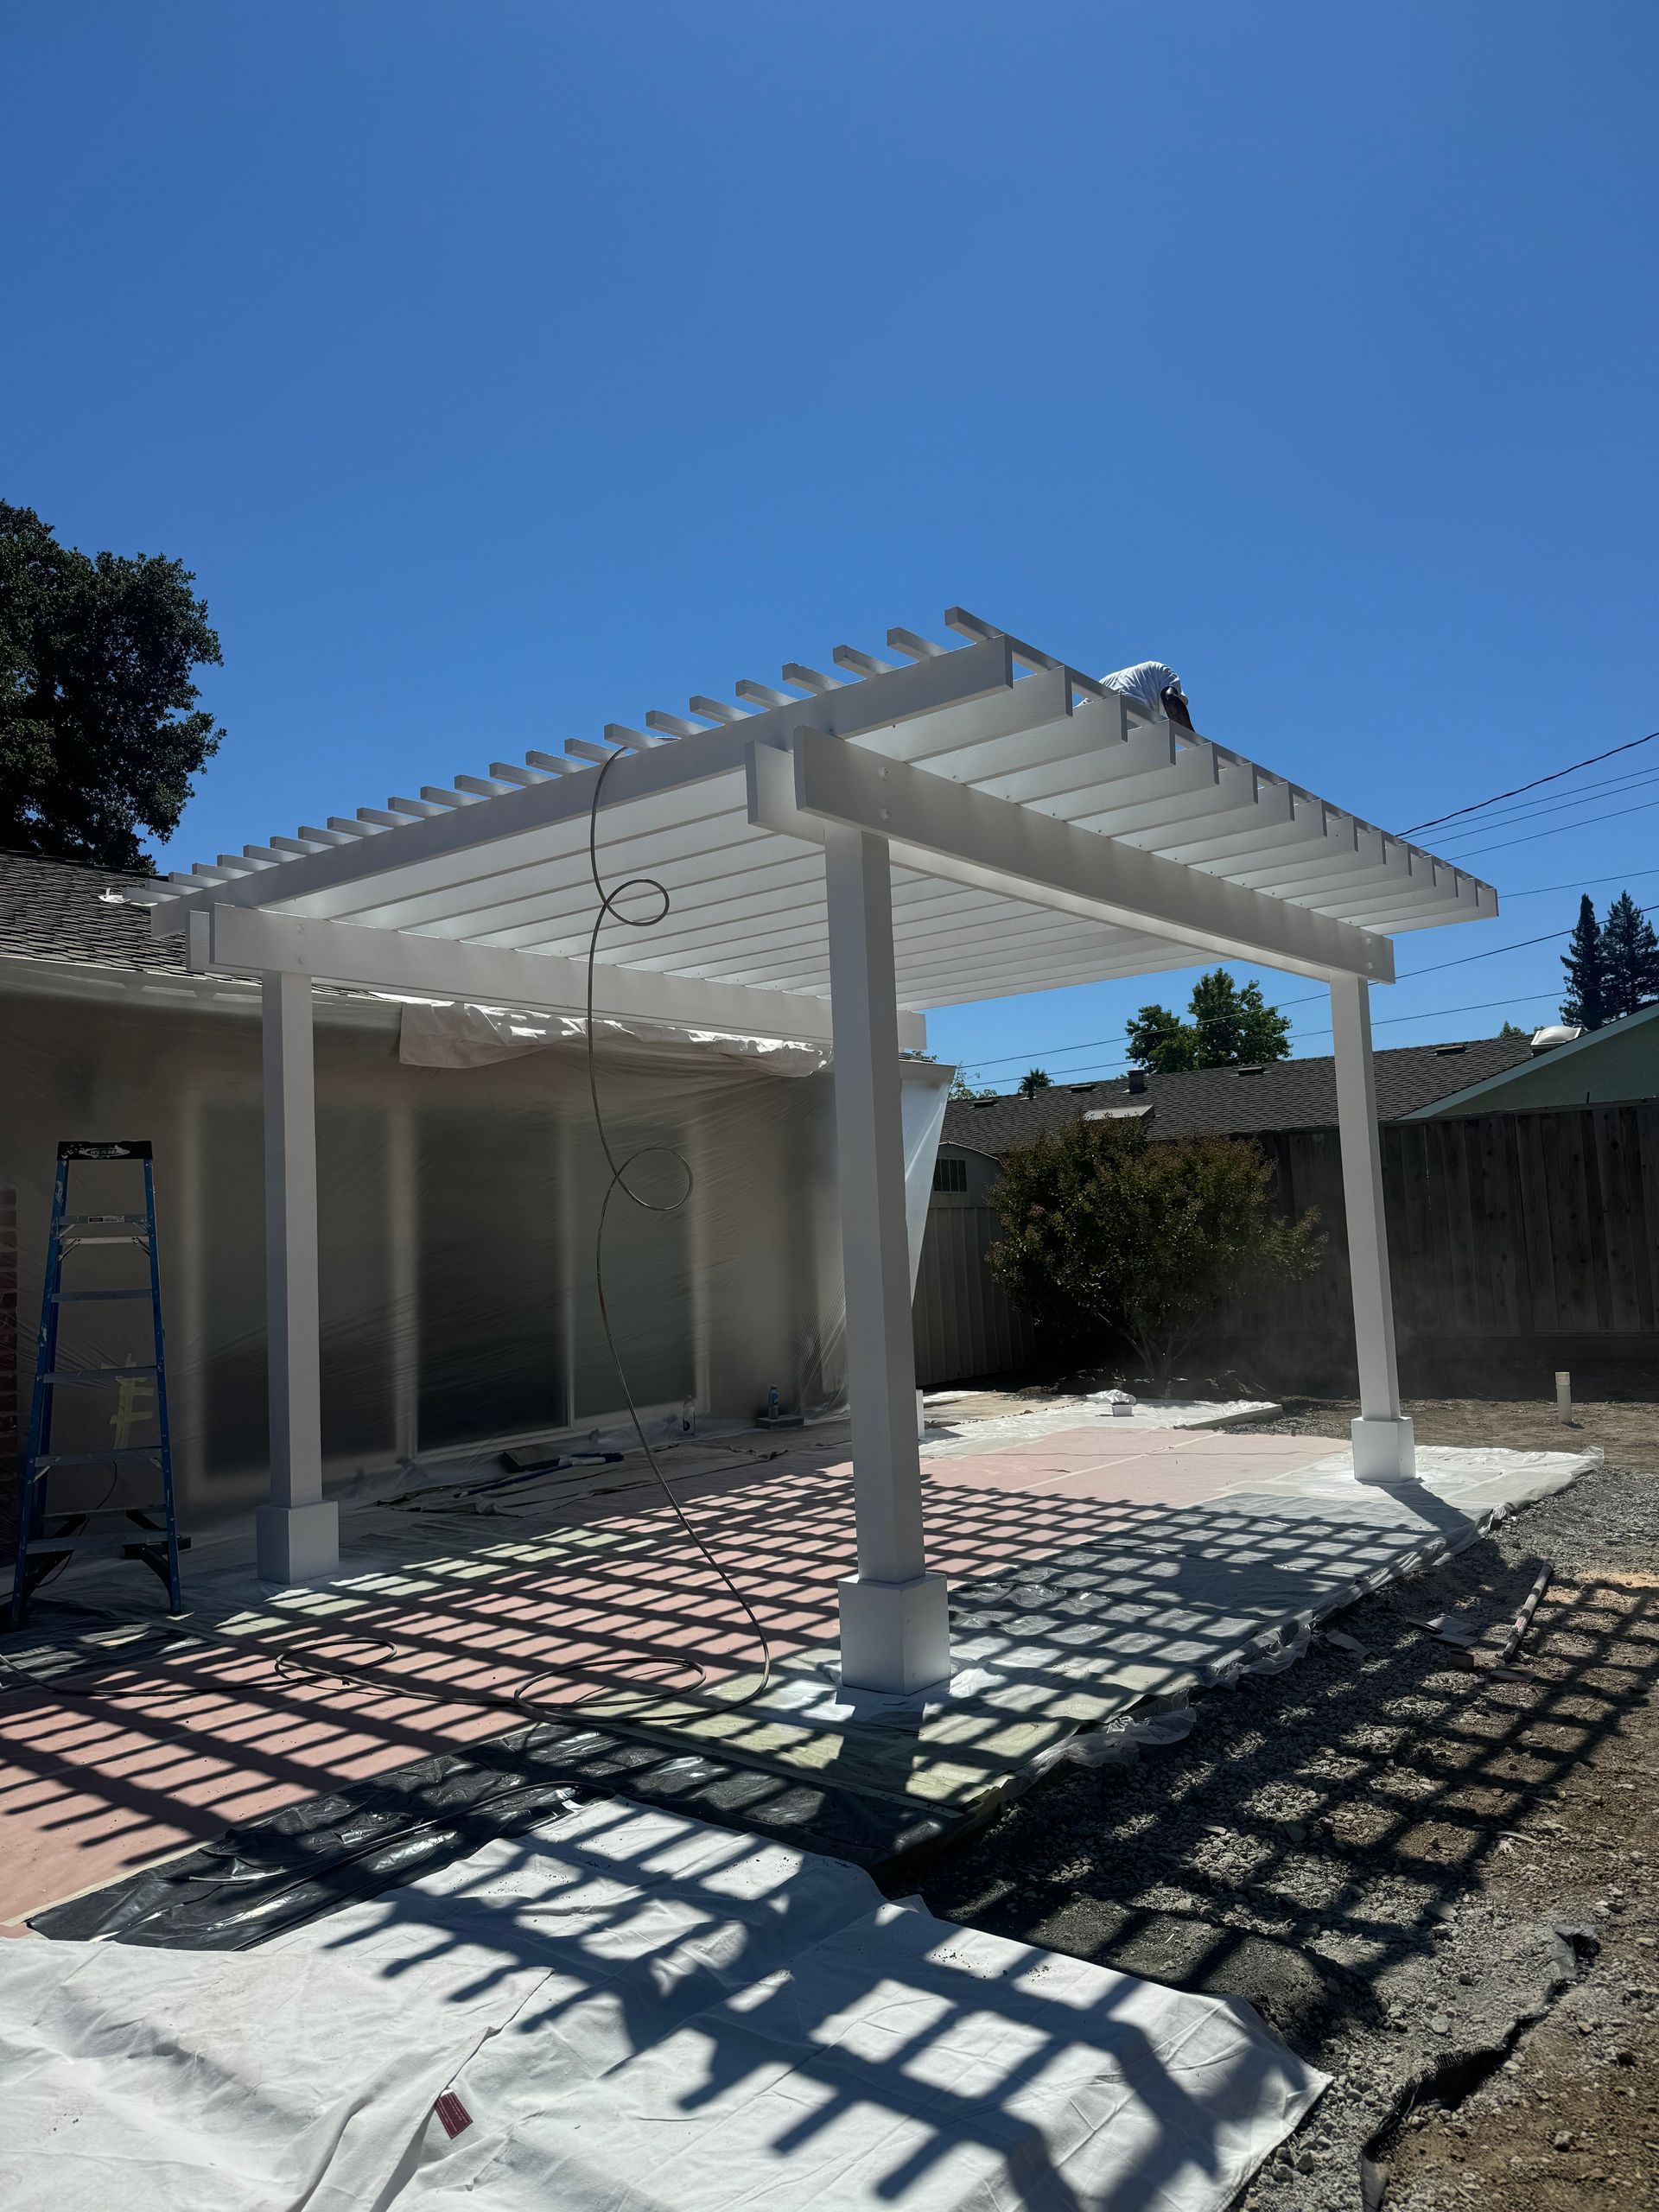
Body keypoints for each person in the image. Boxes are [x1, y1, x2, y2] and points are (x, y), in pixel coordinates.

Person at [1099, 660, 1193, 730]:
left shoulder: (1107, 680)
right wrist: (1193, 740)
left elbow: (1085, 706)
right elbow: (1171, 699)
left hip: (1099, 733)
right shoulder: (1167, 673)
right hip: (1133, 731)